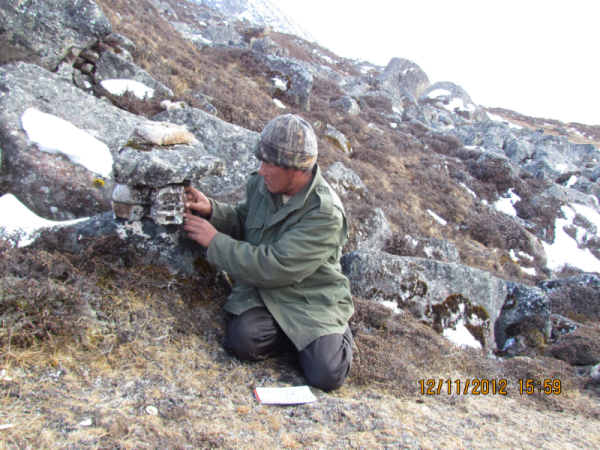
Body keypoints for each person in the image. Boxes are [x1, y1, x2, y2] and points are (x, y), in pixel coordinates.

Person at [182, 114, 353, 392]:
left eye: (269, 164)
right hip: (266, 292)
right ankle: (298, 340)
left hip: (309, 297)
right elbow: (244, 222)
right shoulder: (262, 184)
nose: (261, 170)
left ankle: (333, 332)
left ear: (296, 169)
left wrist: (215, 243)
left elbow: (276, 266)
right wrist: (213, 211)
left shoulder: (325, 213)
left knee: (326, 374)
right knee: (242, 341)